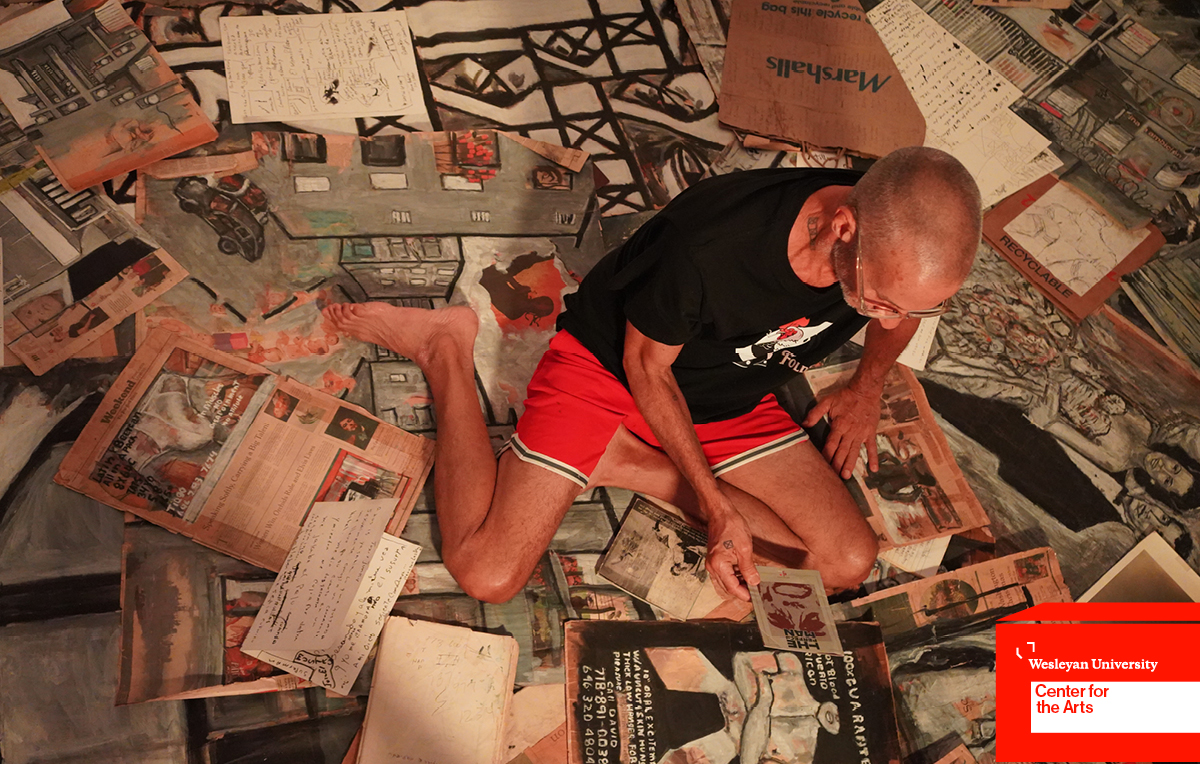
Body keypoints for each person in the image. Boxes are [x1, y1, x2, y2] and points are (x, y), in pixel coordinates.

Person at [323, 146, 982, 603]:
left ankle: (624, 461)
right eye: (880, 298)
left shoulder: (888, 223)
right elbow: (647, 367)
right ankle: (444, 349)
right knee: (486, 572)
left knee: (842, 562)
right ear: (841, 226)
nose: (893, 319)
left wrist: (867, 385)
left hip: (729, 393)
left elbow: (900, 317)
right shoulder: (710, 247)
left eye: (913, 307)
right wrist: (716, 506)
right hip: (617, 368)